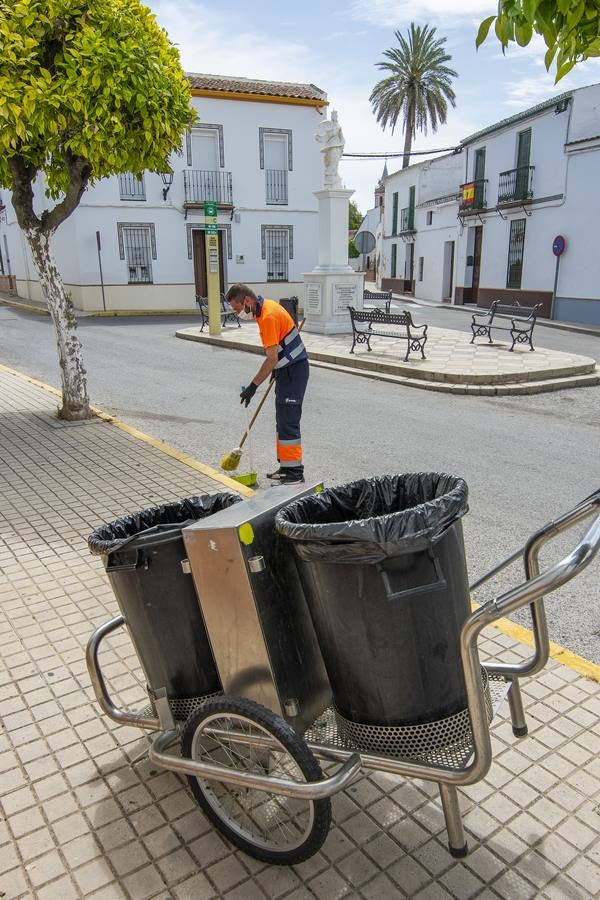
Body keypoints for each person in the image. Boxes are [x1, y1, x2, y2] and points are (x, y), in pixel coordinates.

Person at [225, 284, 309, 484]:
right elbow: (278, 349)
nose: (238, 314)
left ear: (247, 301)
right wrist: (276, 370)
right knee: (282, 421)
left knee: (288, 422)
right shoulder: (265, 310)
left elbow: (270, 358)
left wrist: (253, 386)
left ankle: (295, 473)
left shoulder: (268, 316)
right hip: (285, 369)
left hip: (294, 371)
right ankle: (286, 467)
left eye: (237, 309)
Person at [314, 109, 345, 188]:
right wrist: (319, 137)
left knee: (335, 160)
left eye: (336, 115)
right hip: (330, 145)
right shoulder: (329, 125)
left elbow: (342, 137)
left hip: (336, 145)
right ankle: (330, 175)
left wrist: (342, 144)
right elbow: (325, 135)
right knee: (330, 159)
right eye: (333, 115)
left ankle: (334, 175)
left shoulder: (338, 126)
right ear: (331, 116)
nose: (335, 116)